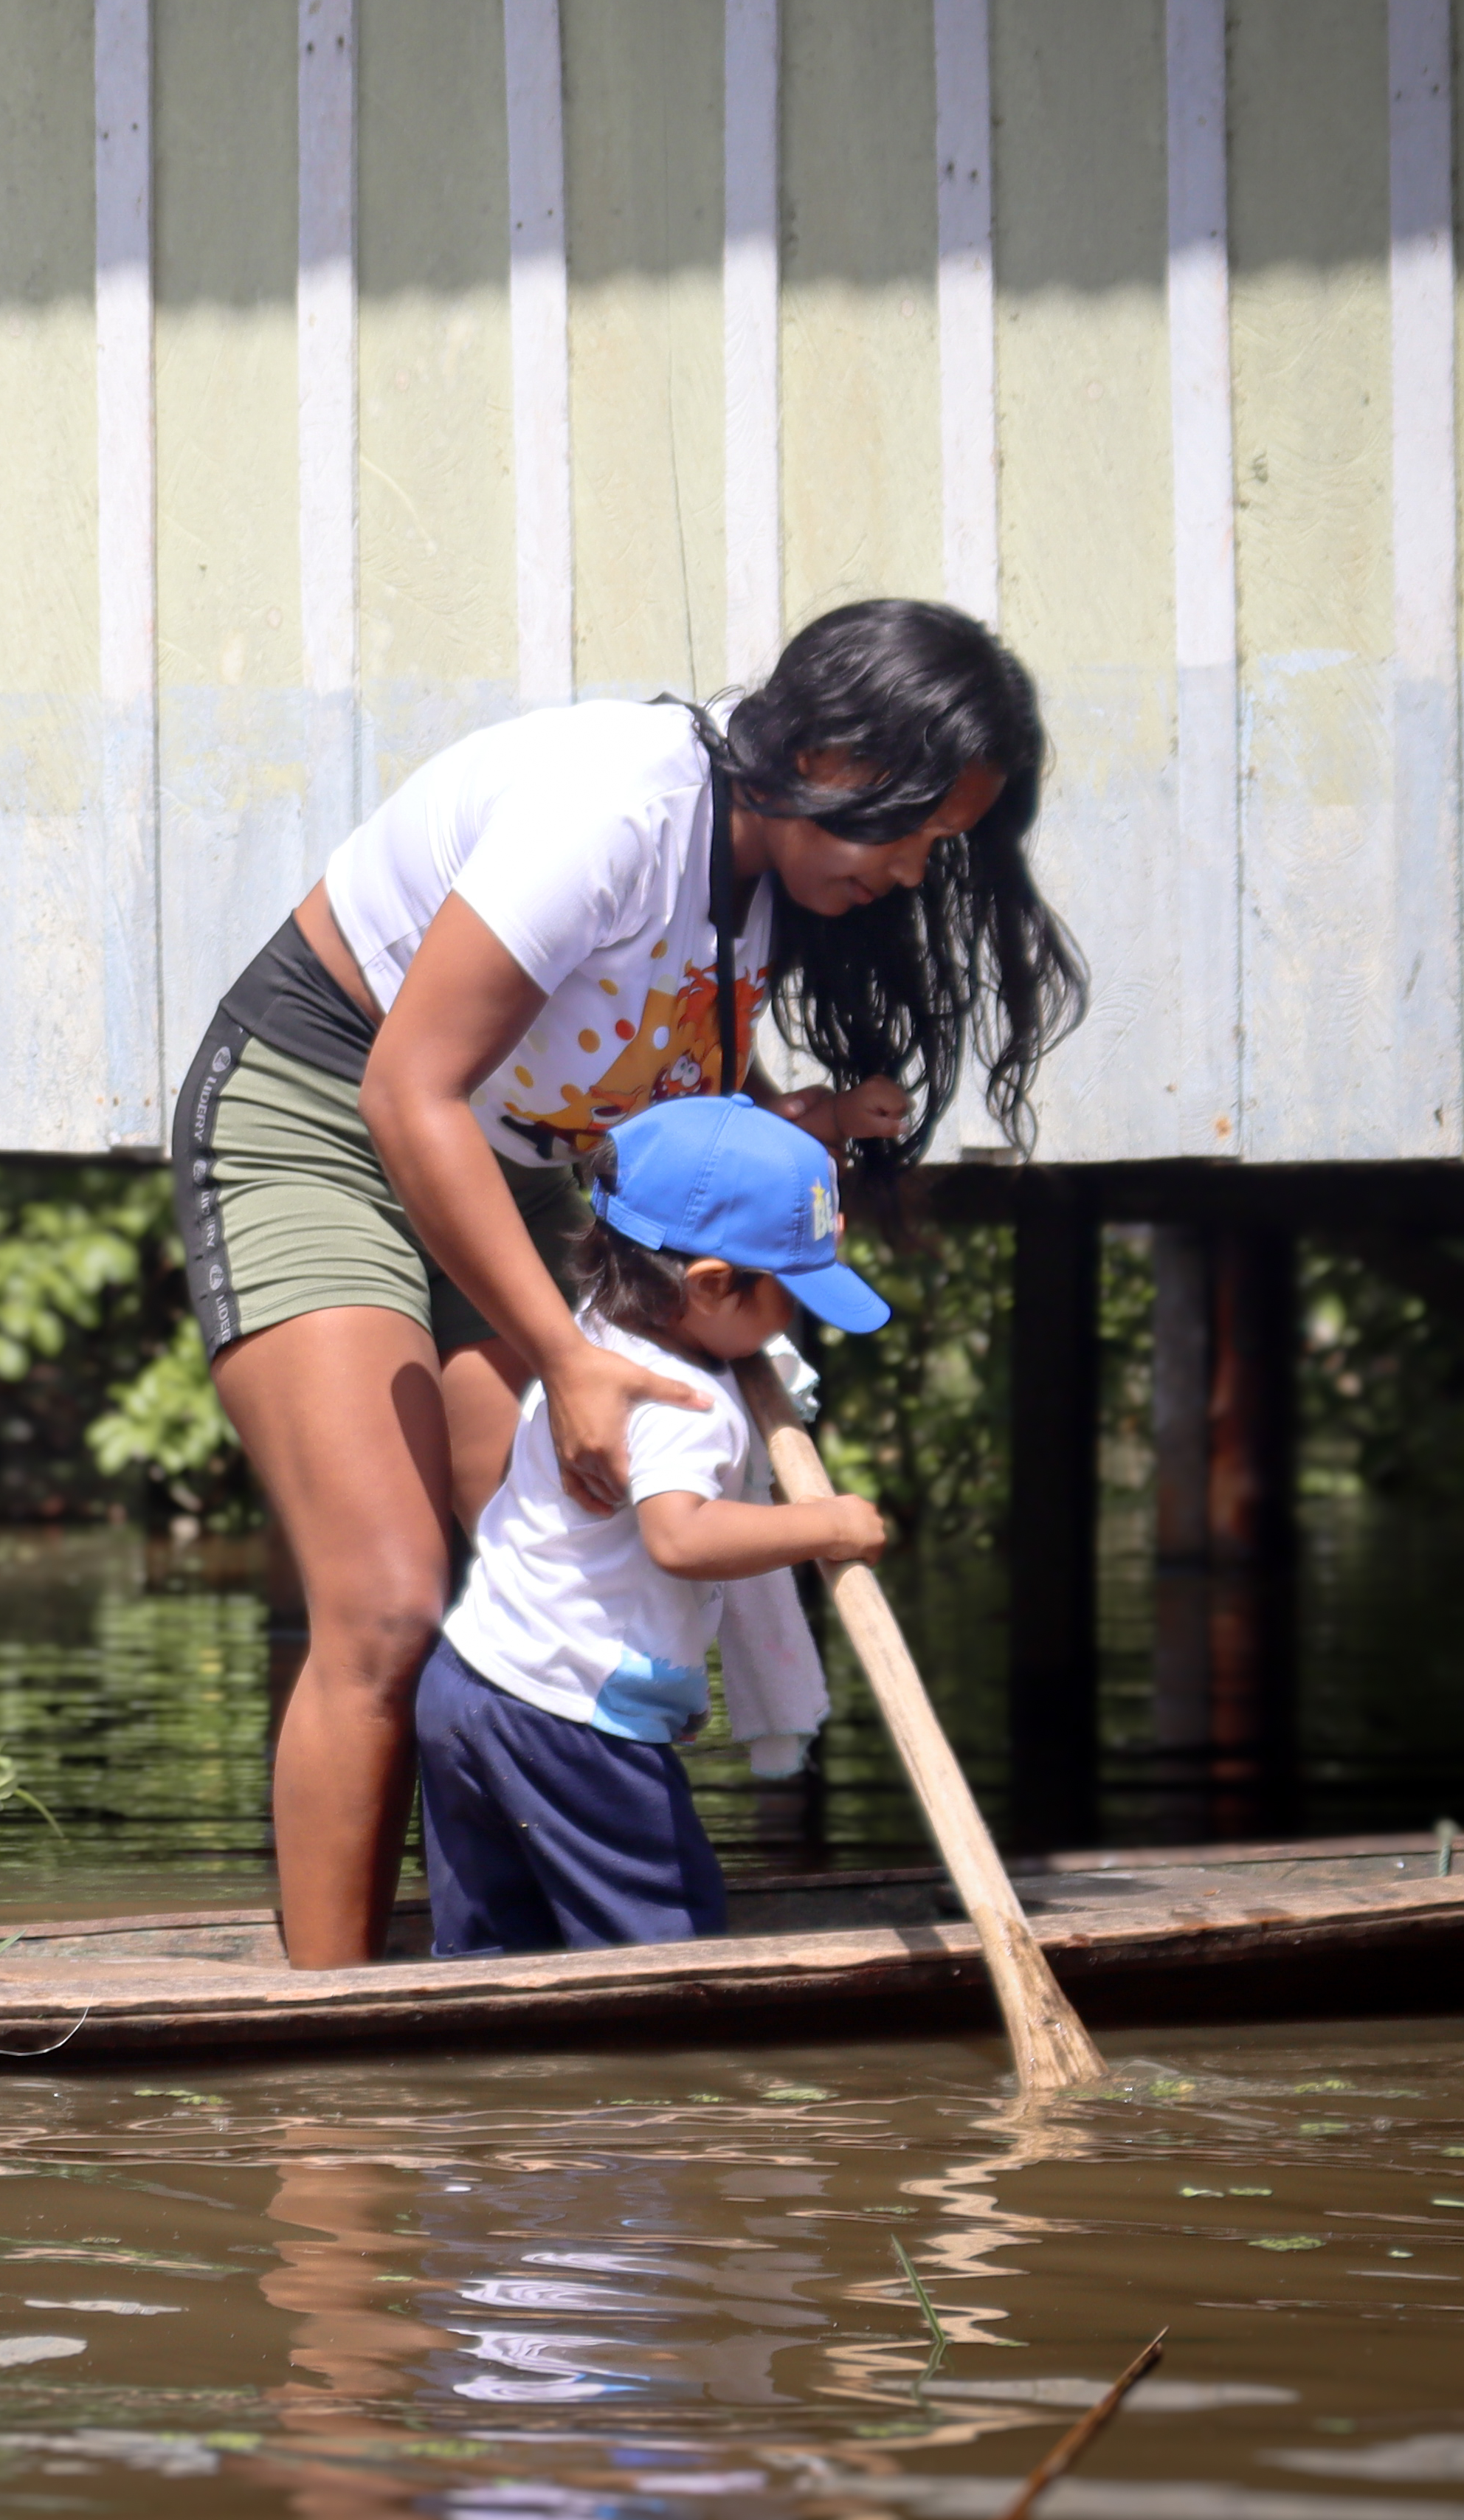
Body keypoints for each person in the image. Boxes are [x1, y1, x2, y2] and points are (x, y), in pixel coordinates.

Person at [178, 598, 1083, 1966]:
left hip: (516, 1155)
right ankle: (328, 2049)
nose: (911, 875)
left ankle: (512, 1957)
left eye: (941, 850)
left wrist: (804, 1122)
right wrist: (568, 1355)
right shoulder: (619, 812)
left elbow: (647, 1068)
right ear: (833, 757)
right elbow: (406, 1091)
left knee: (556, 1567)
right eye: (910, 833)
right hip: (331, 1110)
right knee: (388, 1600)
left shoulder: (768, 880)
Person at [416, 1097, 876, 1957]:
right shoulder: (688, 1402)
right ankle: (673, 2086)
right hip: (570, 1719)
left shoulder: (594, 1334)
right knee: (667, 1944)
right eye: (787, 1294)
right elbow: (681, 1538)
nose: (796, 1319)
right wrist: (827, 1525)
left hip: (468, 1682)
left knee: (490, 1956)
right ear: (706, 1286)